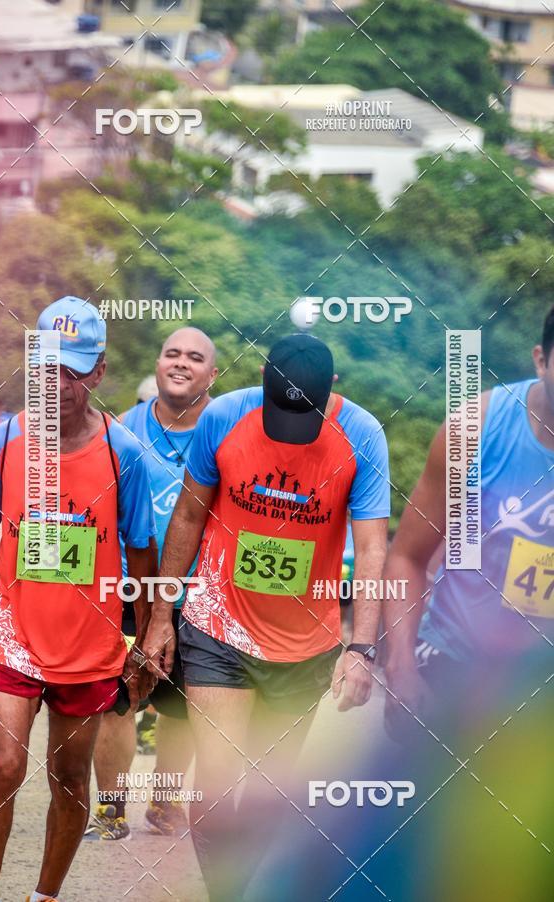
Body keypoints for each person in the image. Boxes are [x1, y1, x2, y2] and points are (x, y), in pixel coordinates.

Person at [143, 332, 390, 900]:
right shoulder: (224, 418)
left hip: (305, 640)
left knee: (270, 792)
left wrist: (361, 648)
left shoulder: (362, 435)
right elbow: (186, 517)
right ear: (261, 378)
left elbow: (373, 548)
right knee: (217, 781)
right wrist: (162, 616)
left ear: (332, 388)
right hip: (217, 622)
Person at [0, 296, 156, 902]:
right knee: (6, 765)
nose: (60, 384)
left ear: (97, 372)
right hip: (11, 630)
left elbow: (142, 555)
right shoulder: (4, 442)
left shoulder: (125, 454)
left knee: (69, 776)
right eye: (48, 368)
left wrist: (145, 644)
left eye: (74, 370)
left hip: (88, 640)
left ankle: (44, 896)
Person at [383, 305, 554, 742]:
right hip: (451, 662)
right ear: (540, 359)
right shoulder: (473, 429)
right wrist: (401, 667)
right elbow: (407, 557)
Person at [85, 326, 218, 841]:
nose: (181, 363)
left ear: (212, 373)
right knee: (119, 701)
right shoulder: (120, 431)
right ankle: (111, 811)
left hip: (198, 592)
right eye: (171, 354)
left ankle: (164, 803)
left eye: (194, 357)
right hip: (127, 586)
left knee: (179, 709)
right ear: (158, 365)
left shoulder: (226, 430)